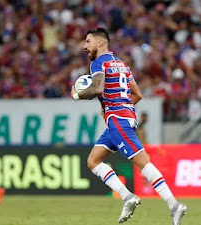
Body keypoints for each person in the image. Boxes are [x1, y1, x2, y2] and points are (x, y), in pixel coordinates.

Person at [71, 28, 188, 225]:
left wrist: (77, 94)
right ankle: (128, 197)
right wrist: (115, 105)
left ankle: (174, 205)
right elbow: (137, 94)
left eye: (88, 41)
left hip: (118, 119)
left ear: (100, 43)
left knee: (143, 163)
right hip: (122, 118)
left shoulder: (98, 62)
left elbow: (98, 87)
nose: (85, 46)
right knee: (93, 161)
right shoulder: (121, 64)